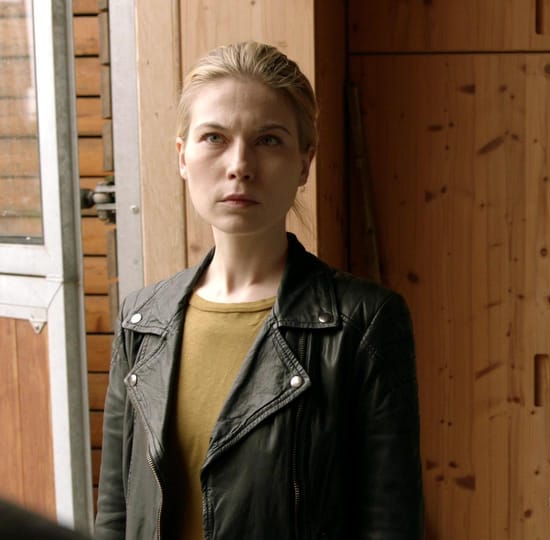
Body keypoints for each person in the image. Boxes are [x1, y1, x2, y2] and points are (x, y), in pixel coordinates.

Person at [94, 42, 423, 540]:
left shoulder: (363, 323)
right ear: (182, 156)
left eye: (268, 140)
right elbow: (115, 514)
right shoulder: (142, 320)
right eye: (214, 137)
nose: (240, 165)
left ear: (305, 162)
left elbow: (390, 524)